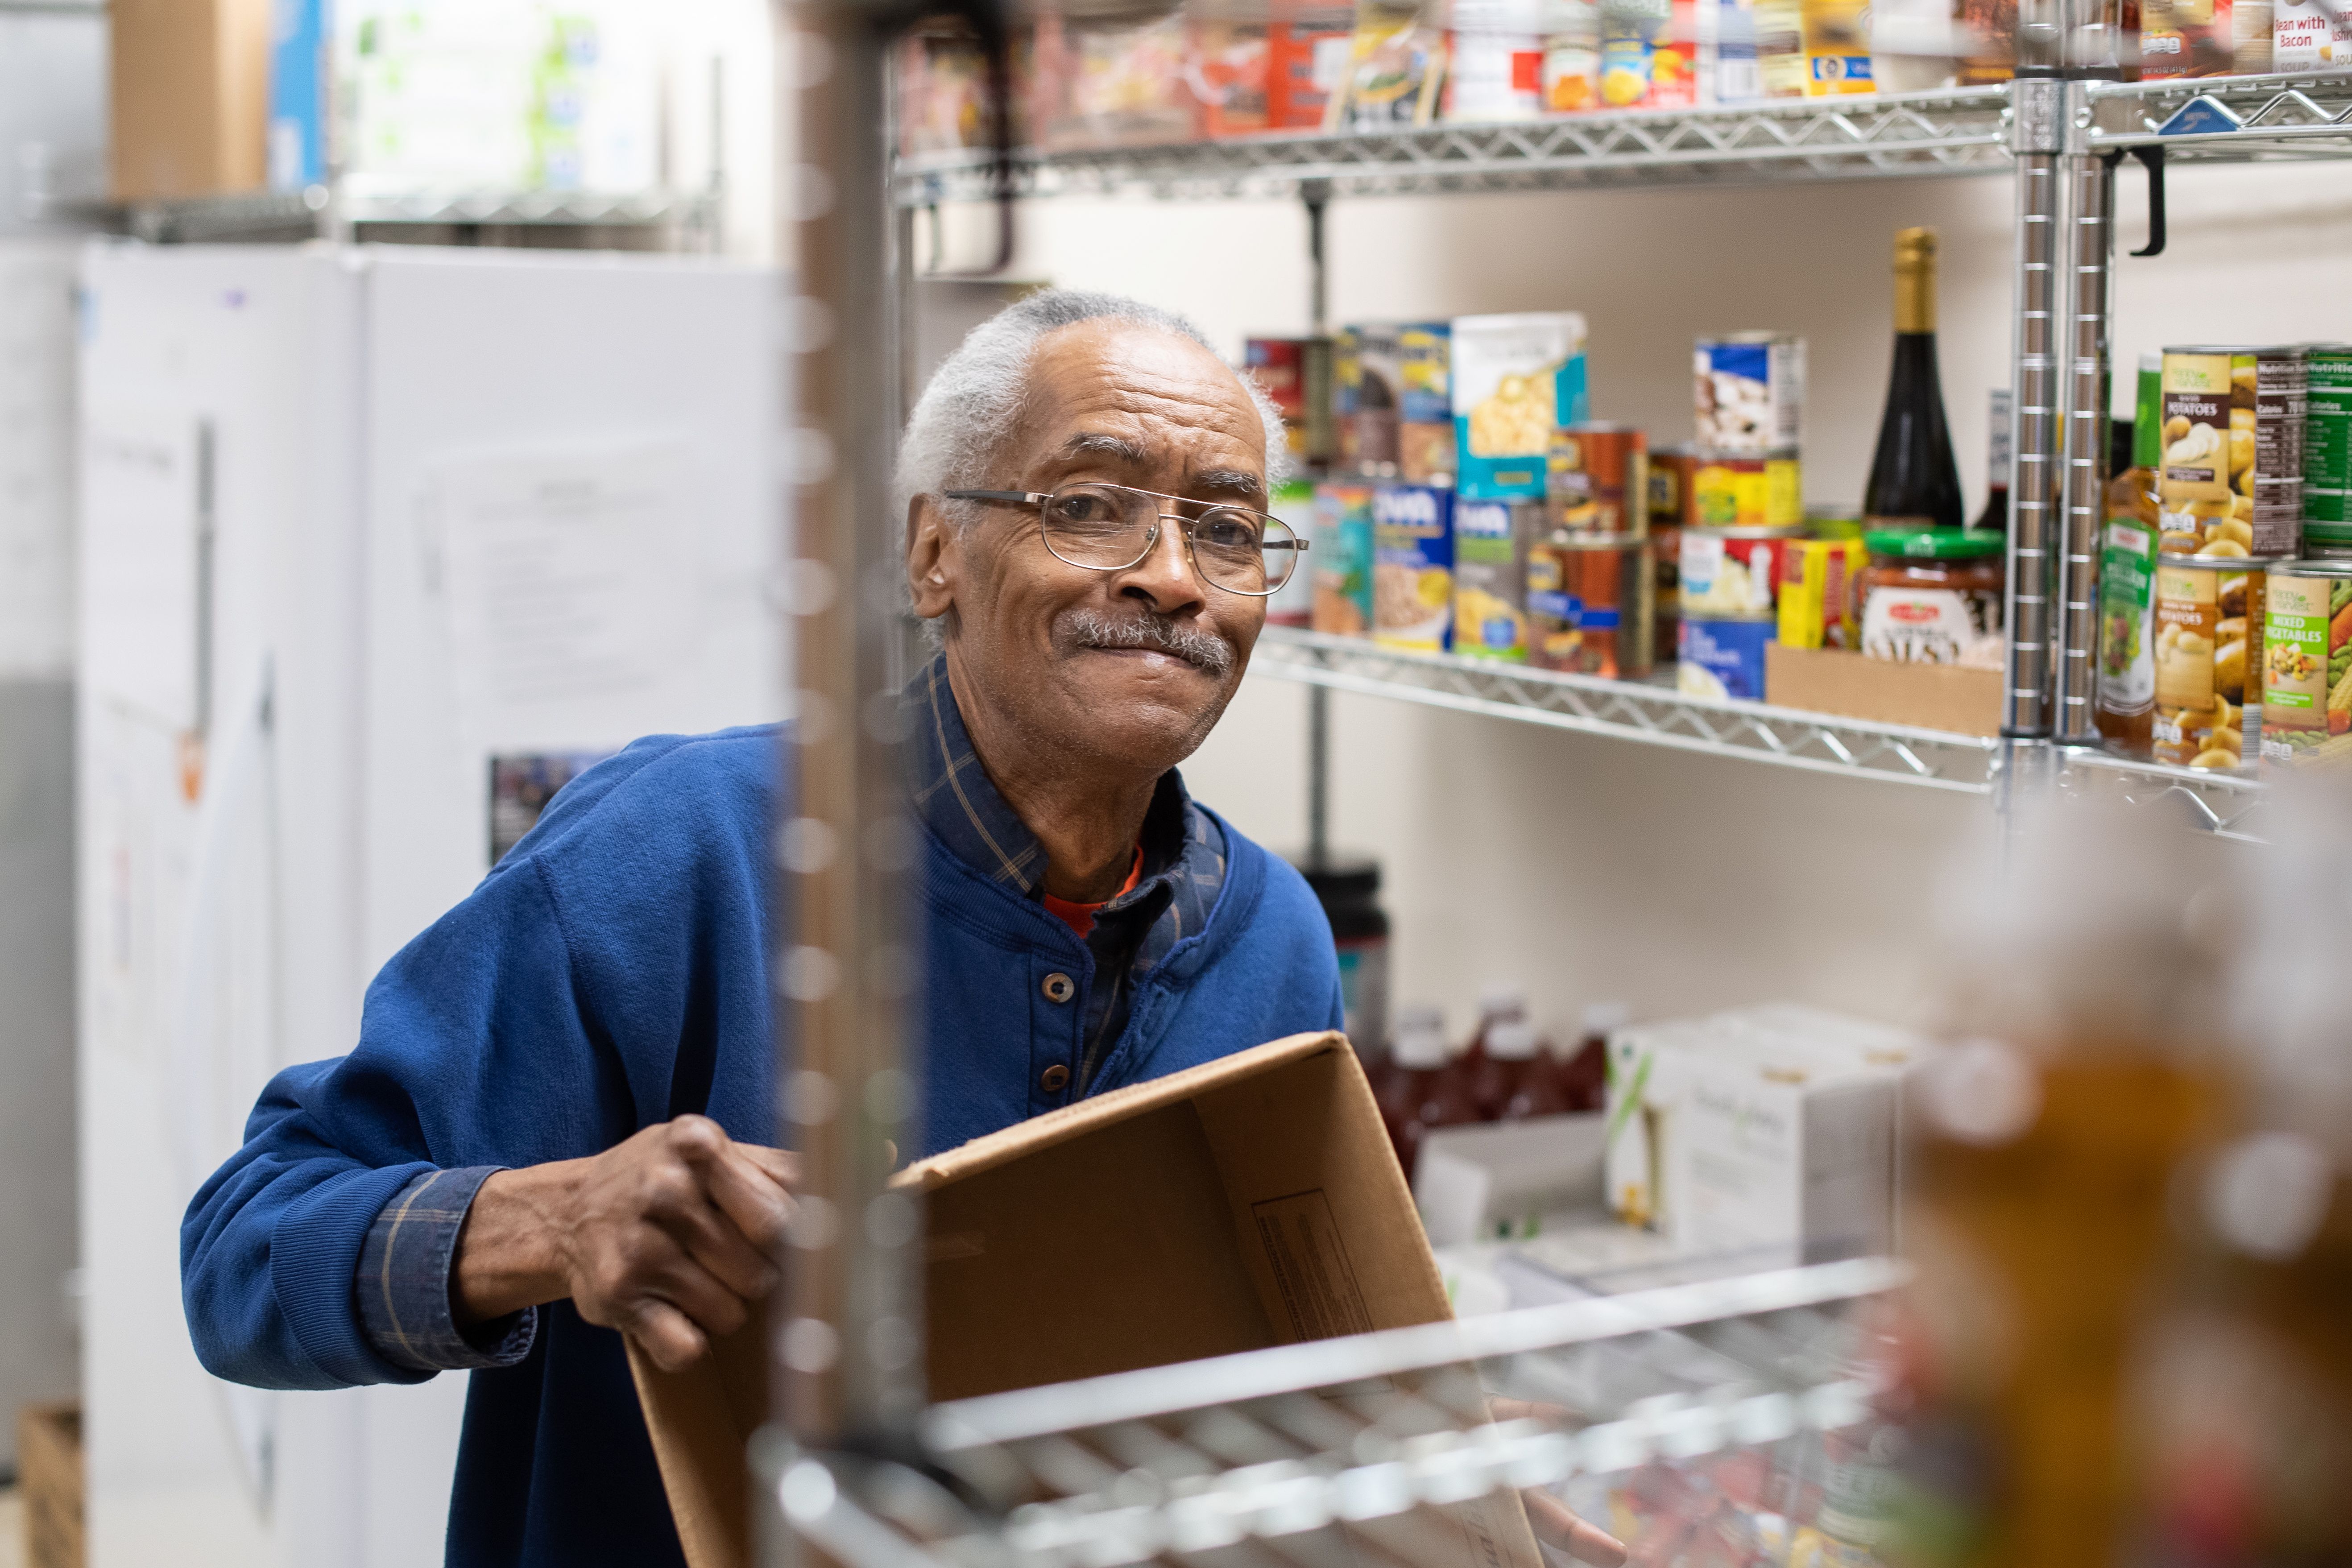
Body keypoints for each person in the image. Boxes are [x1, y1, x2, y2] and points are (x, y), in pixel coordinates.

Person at [180, 291, 1345, 1568]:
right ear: (934, 556)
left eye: (1226, 529)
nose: (1172, 576)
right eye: (1086, 505)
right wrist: (551, 1223)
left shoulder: (1276, 940)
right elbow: (244, 1256)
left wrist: (1408, 1451)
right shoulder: (683, 849)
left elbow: (1271, 1362)